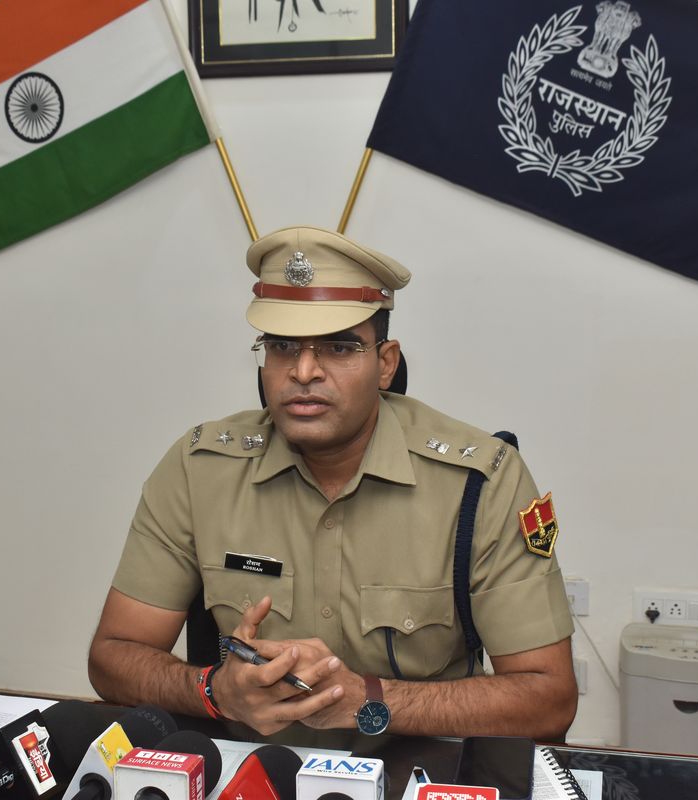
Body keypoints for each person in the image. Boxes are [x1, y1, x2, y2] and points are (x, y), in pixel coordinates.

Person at [88, 225, 576, 739]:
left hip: (419, 769)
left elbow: (549, 699)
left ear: (385, 364)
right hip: (253, 769)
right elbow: (112, 657)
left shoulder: (480, 480)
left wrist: (367, 700)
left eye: (339, 348)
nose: (303, 372)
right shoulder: (200, 468)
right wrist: (214, 691)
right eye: (282, 346)